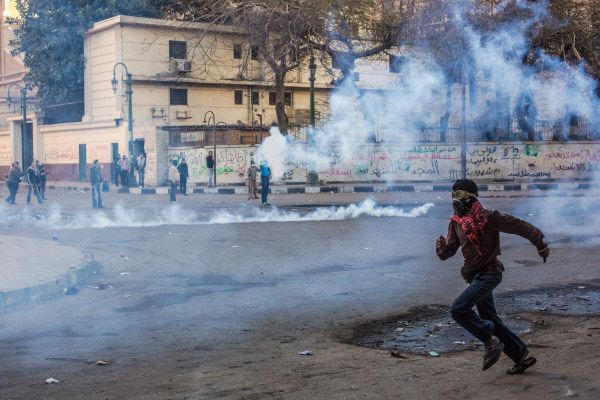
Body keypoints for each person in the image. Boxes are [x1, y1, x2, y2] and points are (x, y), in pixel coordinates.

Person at [436, 179, 550, 374]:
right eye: (453, 196)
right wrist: (442, 249)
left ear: (471, 198)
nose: (455, 201)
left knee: (459, 309)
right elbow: (449, 251)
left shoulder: (488, 218)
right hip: (474, 276)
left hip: (490, 274)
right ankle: (520, 355)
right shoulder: (456, 223)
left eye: (459, 196)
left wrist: (540, 243)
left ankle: (489, 340)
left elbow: (519, 226)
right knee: (490, 318)